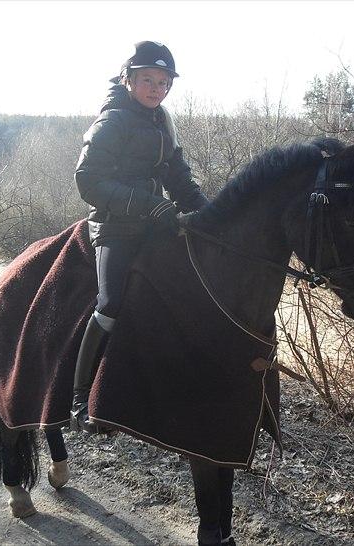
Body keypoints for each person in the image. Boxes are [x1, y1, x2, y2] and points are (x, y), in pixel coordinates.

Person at [71, 40, 209, 432]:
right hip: (114, 227)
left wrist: (207, 213)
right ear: (128, 79)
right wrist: (148, 205)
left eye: (164, 82)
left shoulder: (162, 122)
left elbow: (179, 176)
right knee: (111, 303)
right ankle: (81, 399)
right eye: (148, 80)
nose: (157, 89)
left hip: (156, 224)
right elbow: (88, 180)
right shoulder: (111, 122)